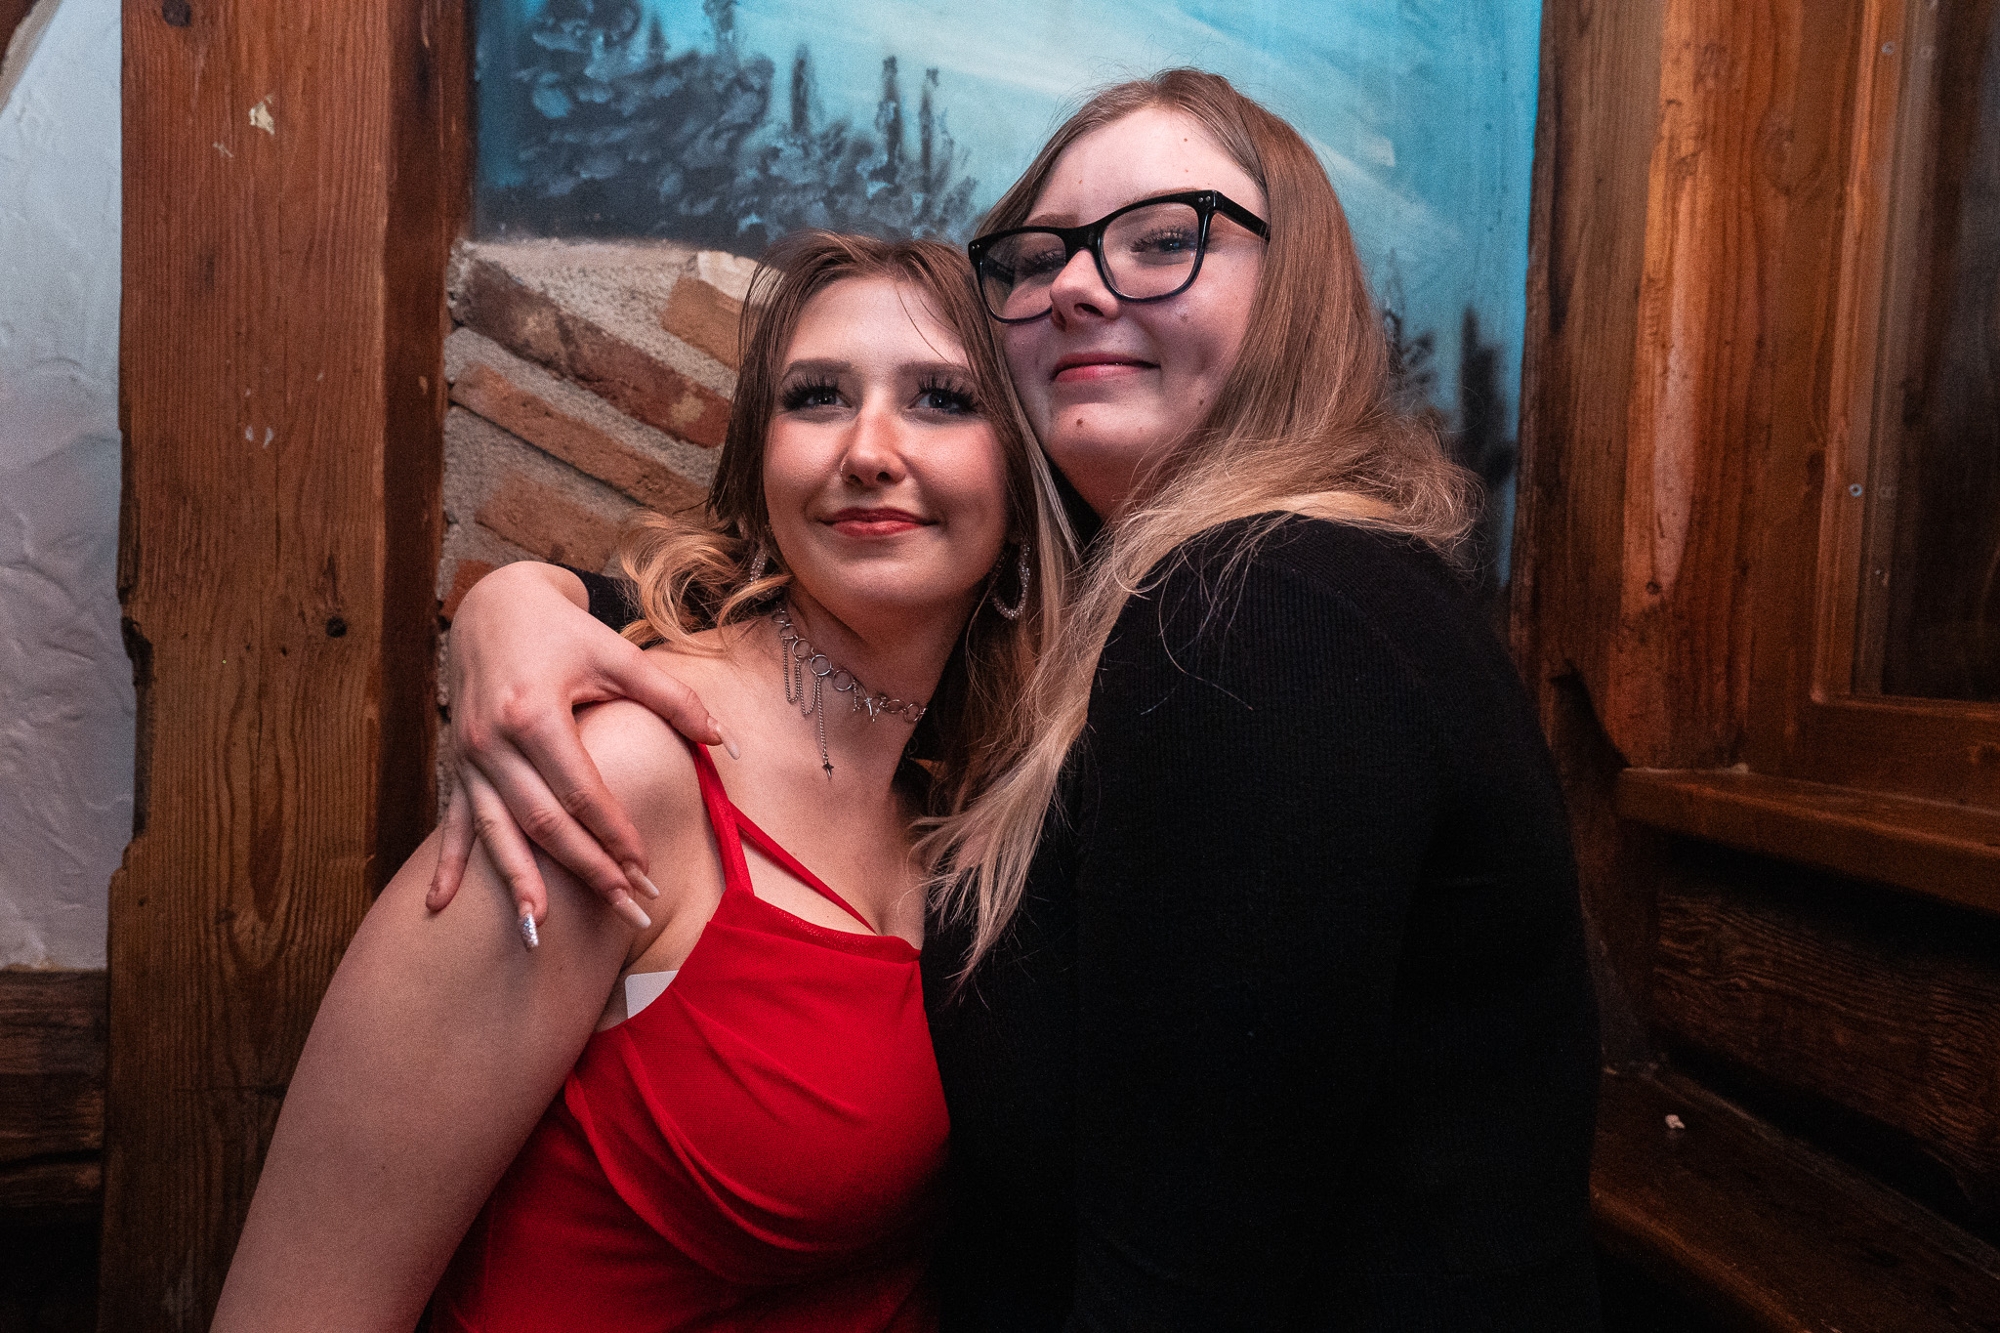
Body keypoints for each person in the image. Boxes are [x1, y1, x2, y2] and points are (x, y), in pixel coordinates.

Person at [434, 70, 1602, 1331]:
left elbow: (1178, 1291)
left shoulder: (1264, 613)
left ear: (1297, 291)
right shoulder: (1134, 629)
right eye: (1040, 258)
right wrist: (531, 603)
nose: (1083, 286)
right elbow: (841, 595)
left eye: (1162, 238)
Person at [211, 232, 1070, 1333]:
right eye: (815, 397)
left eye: (941, 400)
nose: (867, 449)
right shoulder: (621, 770)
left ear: (1023, 479)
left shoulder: (948, 806)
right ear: (757, 468)